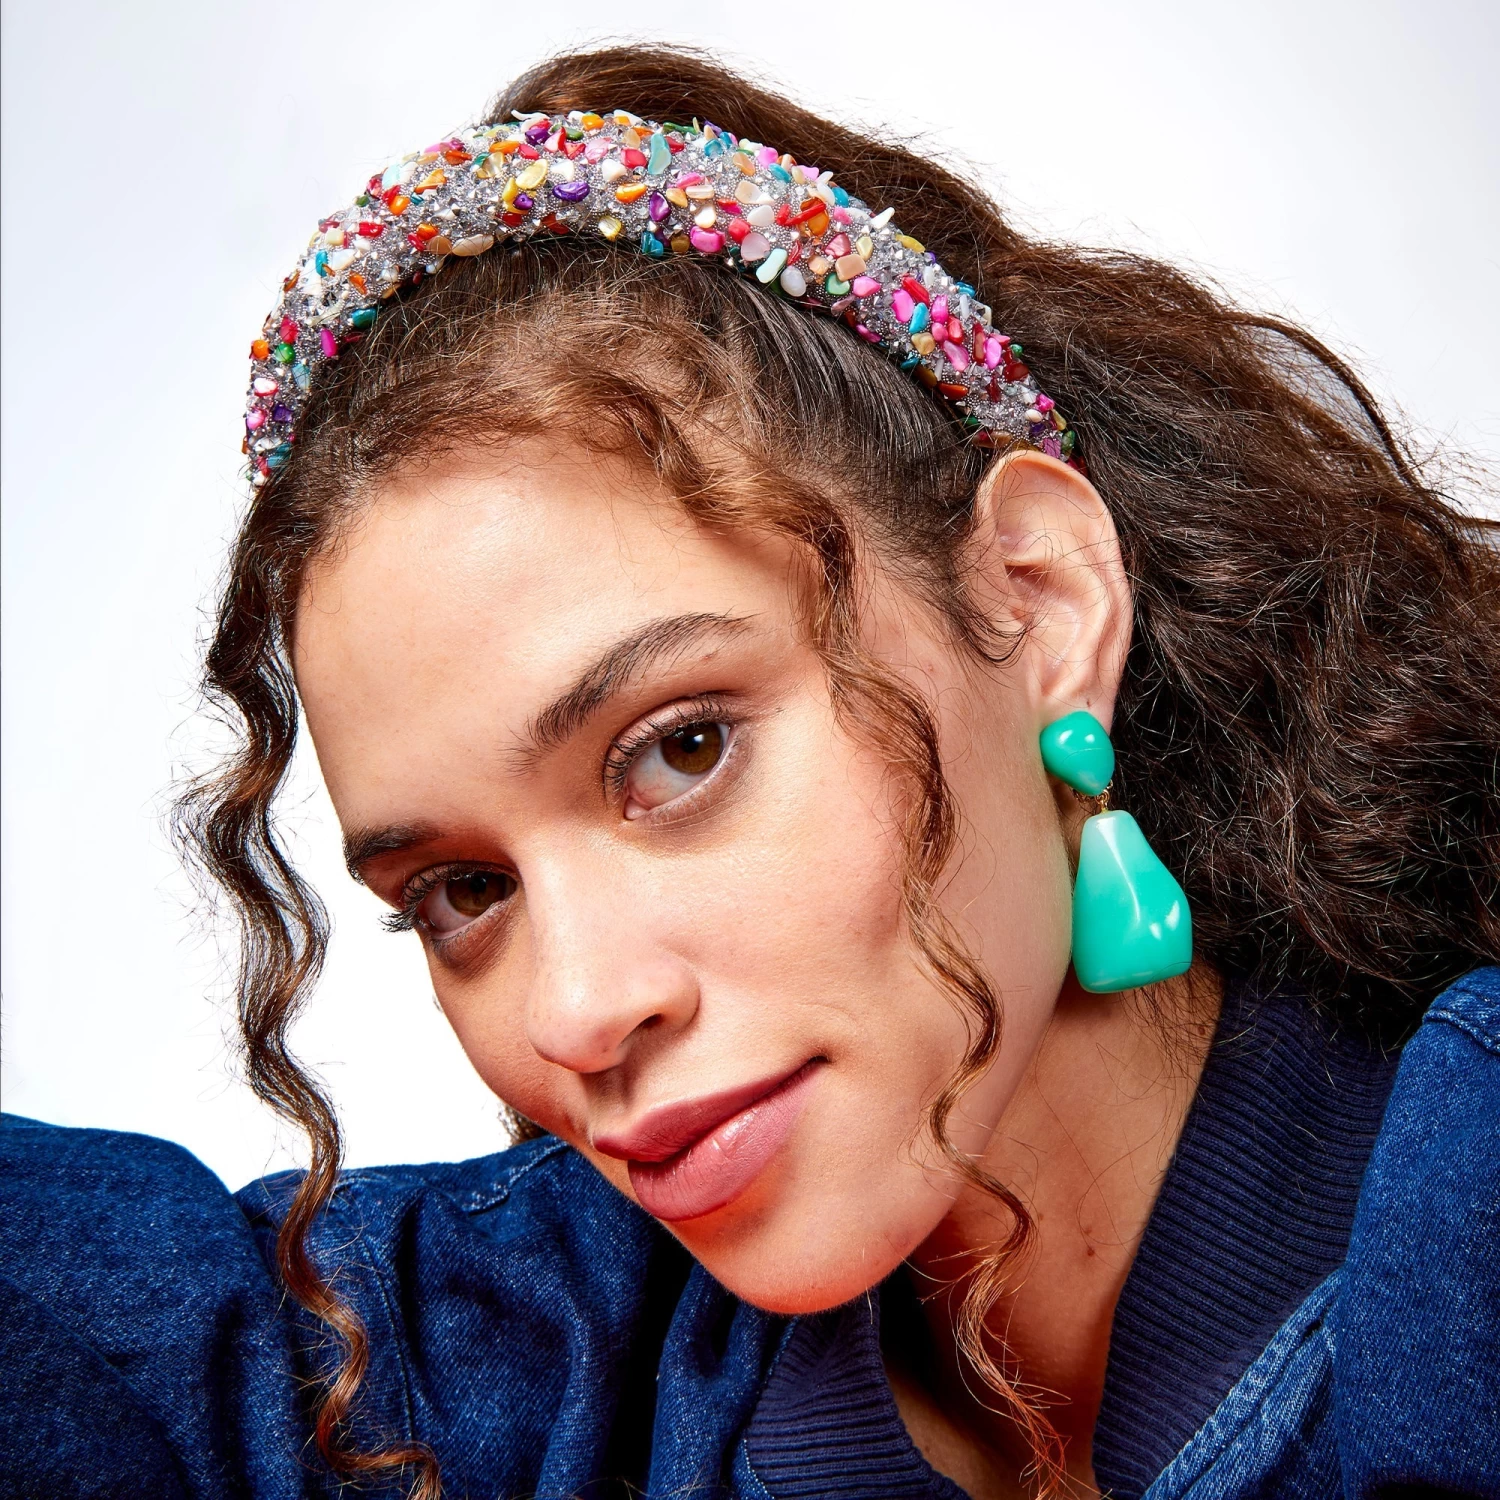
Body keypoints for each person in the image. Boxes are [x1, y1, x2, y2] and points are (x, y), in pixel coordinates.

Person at [2, 44, 1497, 1500]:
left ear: (1040, 608)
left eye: (681, 749)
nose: (575, 1014)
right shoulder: (499, 1373)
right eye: (462, 890)